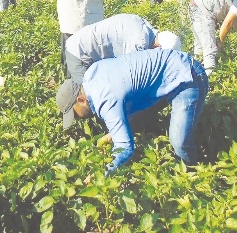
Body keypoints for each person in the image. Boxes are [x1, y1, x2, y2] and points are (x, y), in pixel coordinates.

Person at [56, 48, 208, 171]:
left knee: (179, 143)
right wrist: (112, 135)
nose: (77, 118)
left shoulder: (105, 99)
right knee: (135, 121)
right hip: (170, 70)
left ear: (81, 100)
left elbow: (126, 148)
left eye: (75, 114)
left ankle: (191, 179)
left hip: (188, 76)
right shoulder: (91, 75)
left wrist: (102, 173)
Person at [64, 13, 182, 84]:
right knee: (85, 94)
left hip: (86, 46)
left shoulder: (145, 27)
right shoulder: (139, 42)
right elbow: (129, 74)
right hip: (79, 51)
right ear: (158, 47)